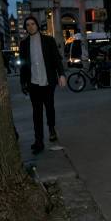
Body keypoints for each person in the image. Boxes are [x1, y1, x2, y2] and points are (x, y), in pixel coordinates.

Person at [19, 16, 66, 154]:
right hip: (34, 84)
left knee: (50, 107)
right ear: (25, 28)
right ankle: (38, 141)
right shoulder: (23, 44)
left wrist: (61, 74)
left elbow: (56, 59)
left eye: (33, 24)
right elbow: (23, 66)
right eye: (27, 25)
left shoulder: (48, 40)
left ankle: (51, 128)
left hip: (48, 82)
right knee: (36, 113)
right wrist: (23, 83)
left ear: (37, 25)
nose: (30, 27)